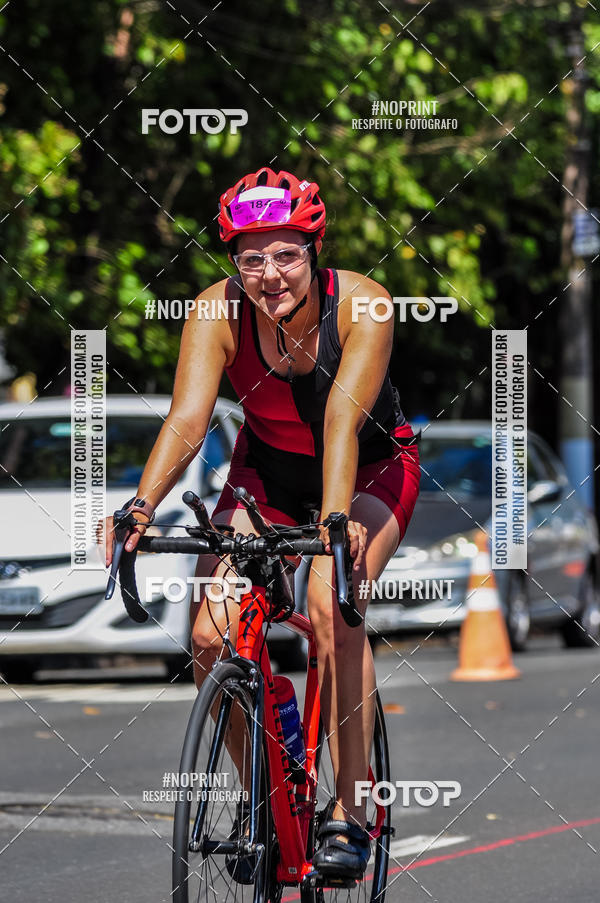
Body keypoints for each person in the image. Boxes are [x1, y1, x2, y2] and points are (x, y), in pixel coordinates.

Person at [102, 166, 420, 880]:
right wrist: (141, 506)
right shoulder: (215, 313)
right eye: (251, 257)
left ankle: (352, 807)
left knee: (330, 605)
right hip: (266, 473)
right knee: (210, 634)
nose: (269, 273)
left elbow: (341, 418)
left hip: (367, 469)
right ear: (233, 261)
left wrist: (335, 526)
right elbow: (188, 420)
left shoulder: (363, 305)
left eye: (285, 254)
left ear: (314, 248)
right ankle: (265, 800)